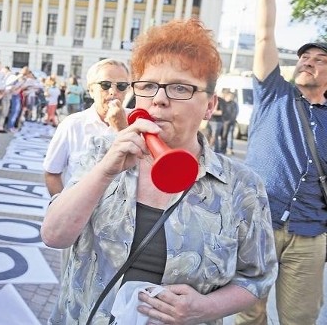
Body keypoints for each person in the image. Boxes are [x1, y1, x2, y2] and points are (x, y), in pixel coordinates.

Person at [41, 19, 277, 325]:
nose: (159, 98)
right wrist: (104, 171)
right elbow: (54, 235)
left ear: (210, 106)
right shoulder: (101, 151)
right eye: (148, 85)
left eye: (180, 87)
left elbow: (258, 276)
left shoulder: (242, 186)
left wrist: (206, 308)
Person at [235, 0, 327, 325]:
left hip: (310, 235)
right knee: (247, 314)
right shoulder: (275, 93)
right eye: (304, 56)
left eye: (319, 59)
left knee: (300, 319)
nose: (308, 61)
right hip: (259, 223)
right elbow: (265, 33)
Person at [43, 58, 131, 198]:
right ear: (91, 90)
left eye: (121, 86)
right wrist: (64, 210)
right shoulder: (72, 124)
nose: (113, 91)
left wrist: (122, 128)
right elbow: (52, 173)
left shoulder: (138, 121)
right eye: (105, 85)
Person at [220, 90, 238, 155]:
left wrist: (229, 121)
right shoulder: (224, 103)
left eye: (229, 97)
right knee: (223, 136)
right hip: (223, 122)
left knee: (228, 136)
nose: (228, 98)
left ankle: (228, 149)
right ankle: (223, 149)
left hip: (230, 122)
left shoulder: (233, 104)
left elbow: (234, 114)